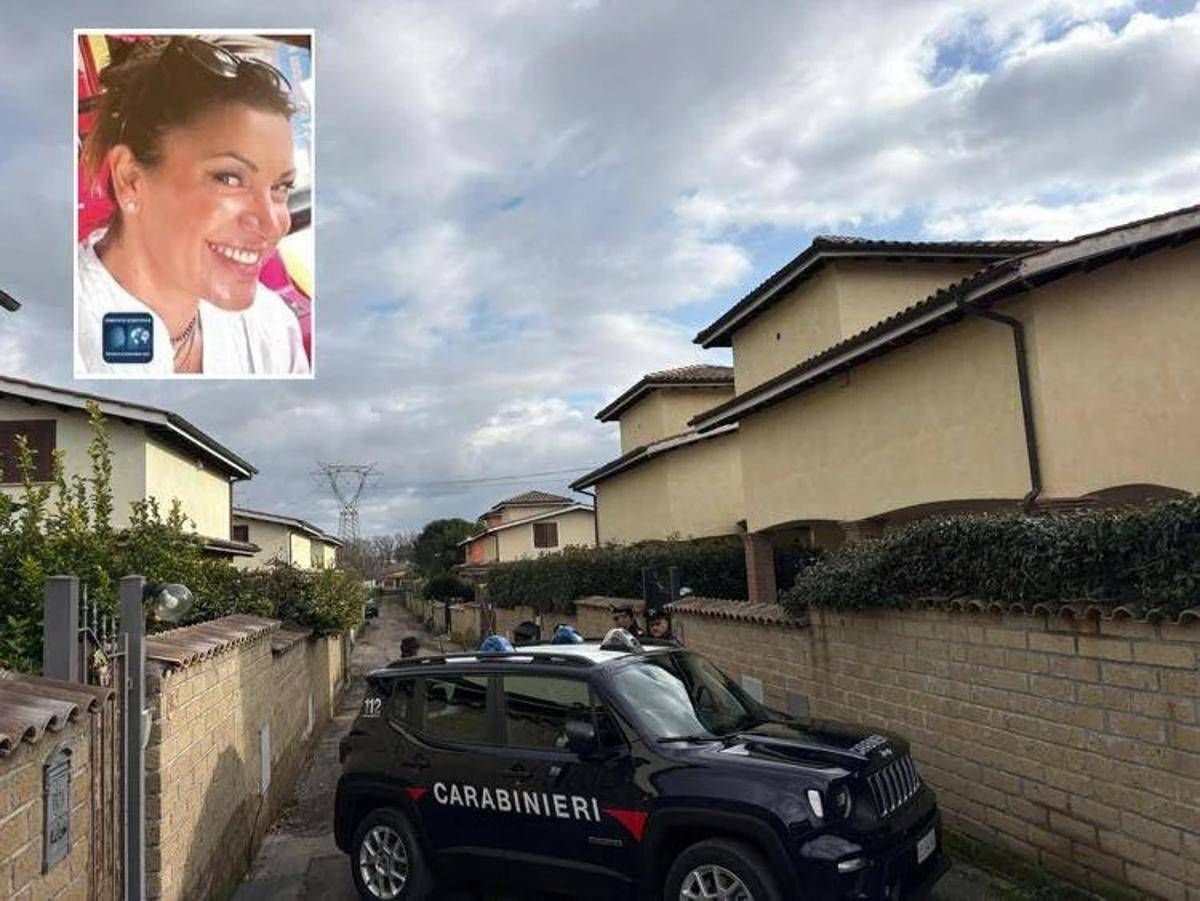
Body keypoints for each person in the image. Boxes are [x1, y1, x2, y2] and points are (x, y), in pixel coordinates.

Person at [76, 36, 310, 376]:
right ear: (131, 179)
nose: (274, 224)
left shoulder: (272, 330)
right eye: (229, 178)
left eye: (281, 187)